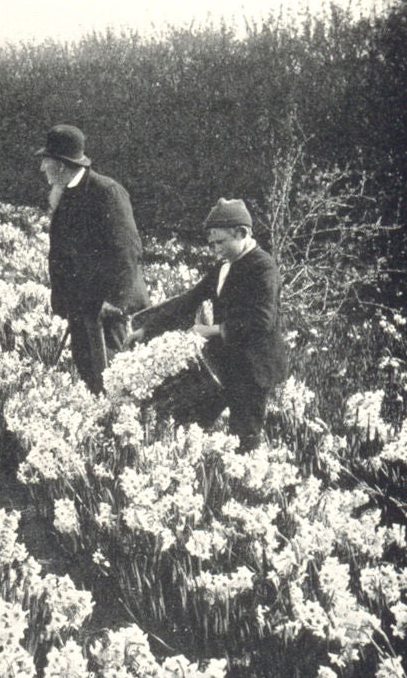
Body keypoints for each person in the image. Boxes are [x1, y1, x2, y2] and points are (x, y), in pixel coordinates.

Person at [128, 198, 288, 452]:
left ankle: (244, 471)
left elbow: (261, 321)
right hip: (225, 361)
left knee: (244, 436)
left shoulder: (263, 267)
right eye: (212, 244)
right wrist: (147, 329)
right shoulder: (225, 266)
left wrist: (212, 330)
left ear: (242, 233)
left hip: (254, 366)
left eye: (220, 242)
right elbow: (189, 300)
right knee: (191, 426)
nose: (215, 249)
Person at [37, 123, 150, 392]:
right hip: (82, 309)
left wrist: (114, 302)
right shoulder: (65, 194)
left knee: (116, 380)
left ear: (61, 165)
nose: (42, 168)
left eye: (46, 161)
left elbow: (128, 251)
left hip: (111, 313)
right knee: (90, 377)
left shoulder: (106, 192)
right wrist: (62, 302)